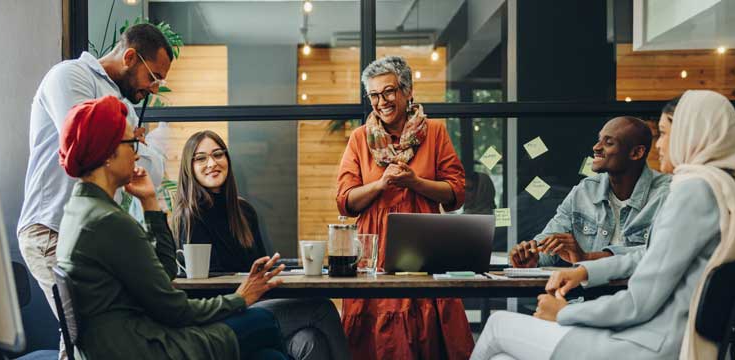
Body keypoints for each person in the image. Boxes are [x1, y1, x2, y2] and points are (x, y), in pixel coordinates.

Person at [472, 90, 735, 360]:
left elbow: (638, 303)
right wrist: (585, 270)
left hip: (650, 345)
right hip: (672, 339)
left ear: (692, 133)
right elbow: (650, 255)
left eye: (665, 133)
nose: (660, 146)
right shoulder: (732, 190)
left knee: (499, 326)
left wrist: (565, 313)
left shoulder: (693, 191)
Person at [56, 96, 291, 359]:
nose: (136, 153)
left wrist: (149, 201)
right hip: (144, 349)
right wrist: (240, 299)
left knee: (270, 356)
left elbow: (165, 272)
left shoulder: (79, 212)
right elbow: (174, 309)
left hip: (121, 343)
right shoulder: (108, 222)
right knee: (262, 321)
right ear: (108, 153)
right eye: (131, 143)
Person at [16, 23, 173, 335]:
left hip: (91, 238)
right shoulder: (71, 76)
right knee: (86, 333)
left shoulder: (123, 105)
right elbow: (87, 145)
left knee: (95, 336)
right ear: (130, 57)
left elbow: (149, 171)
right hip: (53, 229)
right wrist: (131, 143)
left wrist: (130, 146)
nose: (155, 89)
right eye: (153, 77)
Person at [335, 56, 471, 360]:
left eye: (388, 91)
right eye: (373, 95)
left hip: (425, 246)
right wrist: (380, 185)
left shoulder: (434, 132)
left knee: (428, 331)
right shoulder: (359, 139)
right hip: (374, 251)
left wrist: (415, 182)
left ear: (407, 91)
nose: (381, 101)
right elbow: (345, 200)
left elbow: (456, 194)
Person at [174, 130, 352, 360]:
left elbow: (260, 273)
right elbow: (202, 289)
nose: (212, 163)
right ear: (190, 167)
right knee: (322, 309)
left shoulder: (243, 211)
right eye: (200, 158)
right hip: (222, 314)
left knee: (310, 340)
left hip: (256, 306)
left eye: (218, 155)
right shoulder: (189, 215)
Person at [509, 116, 671, 268]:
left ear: (636, 153)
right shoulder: (584, 190)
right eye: (598, 140)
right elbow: (551, 238)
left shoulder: (667, 194)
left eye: (608, 143)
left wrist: (587, 257)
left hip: (637, 297)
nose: (596, 147)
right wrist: (533, 255)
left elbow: (659, 255)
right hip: (584, 297)